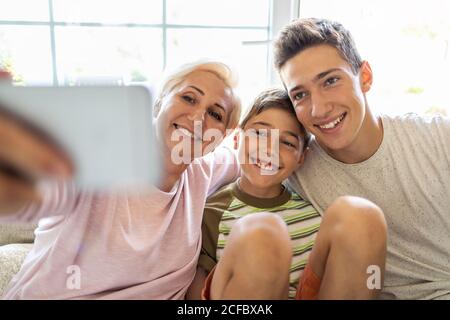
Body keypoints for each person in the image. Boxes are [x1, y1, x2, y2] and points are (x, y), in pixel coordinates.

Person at [0, 60, 242, 299]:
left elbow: (249, 153)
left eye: (215, 114)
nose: (200, 117)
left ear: (220, 137)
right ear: (159, 102)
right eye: (188, 98)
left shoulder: (204, 171)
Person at [273, 17, 450, 300]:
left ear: (364, 77)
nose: (319, 109)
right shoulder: (295, 168)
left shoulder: (439, 138)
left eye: (330, 81)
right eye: (300, 95)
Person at [186, 88, 387, 300]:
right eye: (260, 134)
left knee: (360, 214)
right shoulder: (212, 213)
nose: (270, 149)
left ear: (302, 157)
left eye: (288, 143)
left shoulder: (314, 209)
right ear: (237, 139)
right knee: (262, 234)